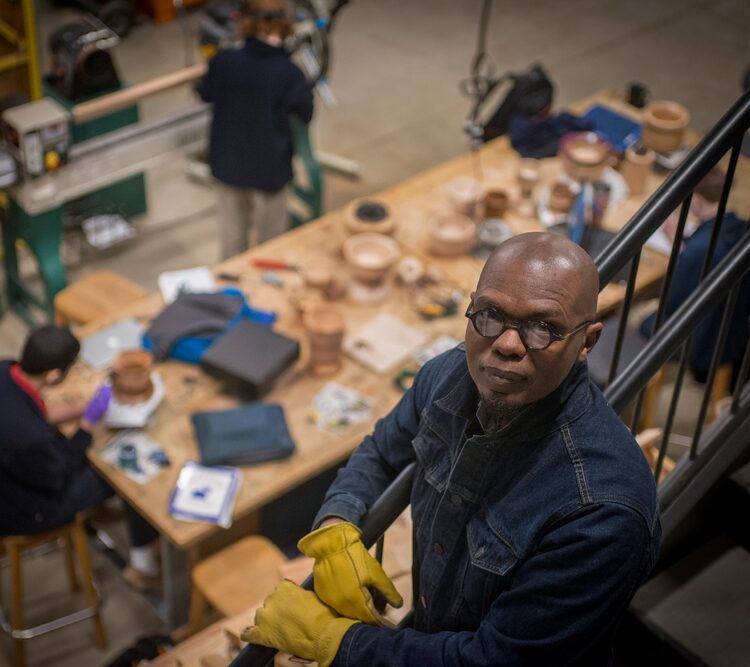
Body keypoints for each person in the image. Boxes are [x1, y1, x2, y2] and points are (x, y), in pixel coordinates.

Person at [243, 232, 662, 666]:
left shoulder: (601, 513)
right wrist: (336, 526)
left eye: (543, 328)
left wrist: (339, 642)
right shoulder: (449, 375)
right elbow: (382, 452)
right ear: (471, 306)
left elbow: (495, 660)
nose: (507, 344)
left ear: (587, 342)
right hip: (427, 633)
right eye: (491, 314)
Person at [0, 325, 160, 590]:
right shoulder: (29, 438)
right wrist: (87, 427)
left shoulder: (0, 373)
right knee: (122, 474)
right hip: (23, 510)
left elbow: (30, 409)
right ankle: (144, 565)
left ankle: (99, 513)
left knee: (88, 458)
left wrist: (81, 408)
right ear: (55, 375)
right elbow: (60, 473)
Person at [196, 0, 314, 259]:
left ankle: (228, 296)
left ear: (244, 23)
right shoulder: (289, 72)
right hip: (269, 171)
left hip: (227, 166)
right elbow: (305, 112)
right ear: (284, 26)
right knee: (270, 252)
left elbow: (204, 92)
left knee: (231, 248)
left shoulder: (224, 61)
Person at [641, 167, 750, 383]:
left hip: (703, 344)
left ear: (696, 198)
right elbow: (711, 253)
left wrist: (686, 256)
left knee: (639, 315)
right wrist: (682, 243)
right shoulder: (739, 228)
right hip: (734, 331)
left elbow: (671, 304)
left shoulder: (698, 251)